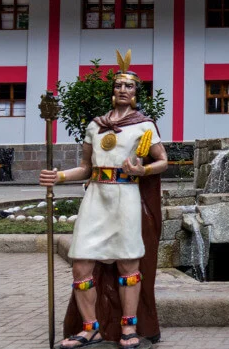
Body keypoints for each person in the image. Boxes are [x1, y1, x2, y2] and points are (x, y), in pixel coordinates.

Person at [40, 50, 168, 348]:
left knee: (128, 265)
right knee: (81, 264)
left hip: (126, 196)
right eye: (118, 86)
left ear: (137, 92)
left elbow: (163, 161)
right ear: (113, 92)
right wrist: (58, 177)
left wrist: (143, 168)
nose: (123, 90)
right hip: (96, 196)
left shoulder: (144, 125)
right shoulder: (95, 125)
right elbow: (86, 168)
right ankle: (90, 327)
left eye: (129, 86)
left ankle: (128, 328)